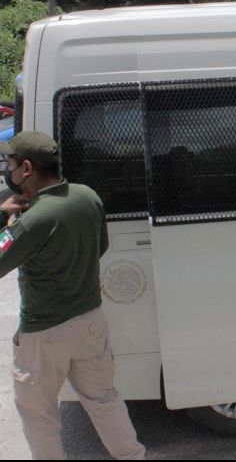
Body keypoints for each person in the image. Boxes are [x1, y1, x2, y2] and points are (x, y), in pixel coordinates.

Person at [0, 131, 145, 460]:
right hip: (91, 321)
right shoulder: (87, 196)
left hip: (44, 333)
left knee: (39, 416)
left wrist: (3, 215)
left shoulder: (33, 219)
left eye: (8, 164)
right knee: (104, 400)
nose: (6, 171)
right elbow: (100, 246)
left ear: (26, 169)